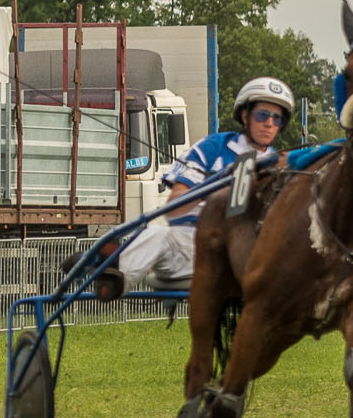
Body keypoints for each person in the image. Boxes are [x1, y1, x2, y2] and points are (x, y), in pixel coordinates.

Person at [109, 76, 297, 296]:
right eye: (263, 115)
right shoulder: (213, 148)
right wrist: (215, 191)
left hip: (250, 256)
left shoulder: (280, 165)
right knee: (158, 234)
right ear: (245, 116)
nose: (269, 123)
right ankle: (113, 280)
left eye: (277, 119)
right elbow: (174, 209)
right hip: (195, 247)